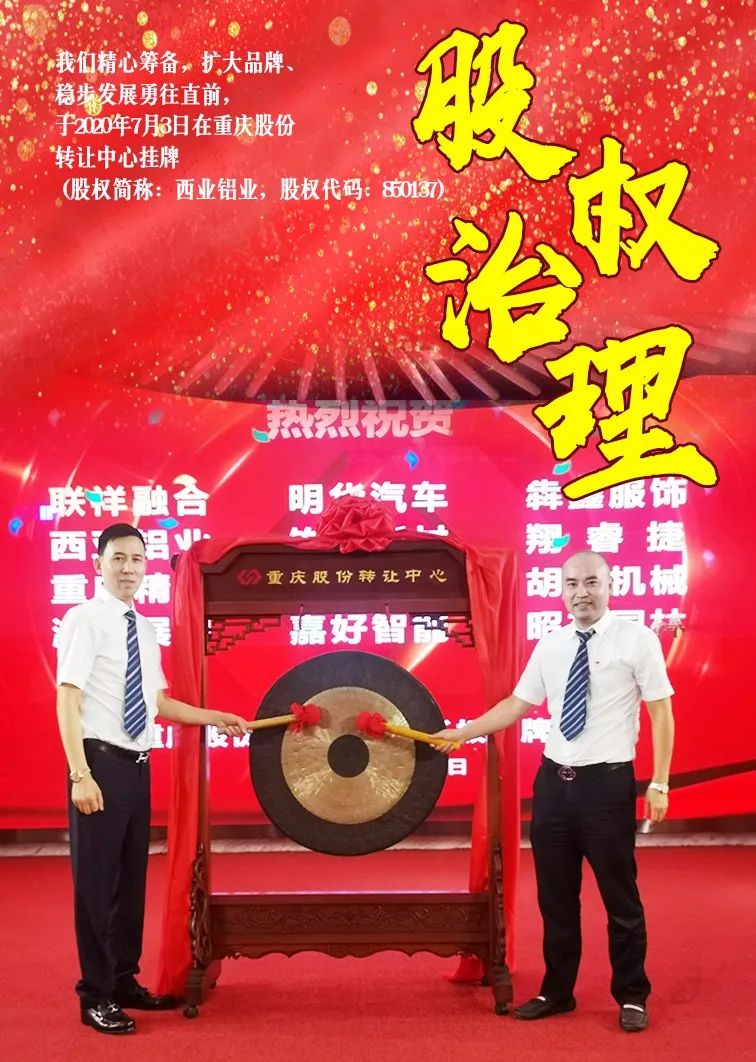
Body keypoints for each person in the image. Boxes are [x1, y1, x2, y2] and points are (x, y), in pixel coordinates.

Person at [435, 550, 674, 1033]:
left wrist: (660, 782)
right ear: (561, 591)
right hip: (554, 787)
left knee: (620, 898)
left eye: (591, 583)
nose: (581, 593)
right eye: (571, 584)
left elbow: (661, 712)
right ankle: (557, 990)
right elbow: (517, 704)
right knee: (556, 899)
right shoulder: (551, 644)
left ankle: (631, 994)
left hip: (607, 786)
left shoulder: (636, 639)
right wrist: (464, 732)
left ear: (610, 585)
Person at [56, 522, 249, 1035]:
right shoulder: (83, 619)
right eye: (117, 558)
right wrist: (80, 774)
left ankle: (123, 981)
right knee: (96, 886)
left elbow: (158, 703)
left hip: (137, 766)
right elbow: (68, 698)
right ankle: (95, 995)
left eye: (137, 559)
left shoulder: (143, 628)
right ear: (98, 564)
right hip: (97, 764)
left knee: (129, 884)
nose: (128, 568)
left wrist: (215, 717)